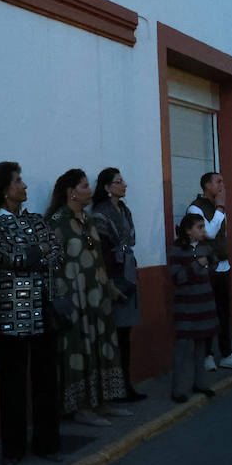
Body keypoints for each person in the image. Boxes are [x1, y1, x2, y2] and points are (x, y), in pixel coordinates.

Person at [0, 162, 63, 465]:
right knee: (11, 385)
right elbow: (8, 257)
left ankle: (47, 442)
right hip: (8, 315)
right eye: (18, 182)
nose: (24, 186)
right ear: (4, 190)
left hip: (44, 310)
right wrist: (35, 253)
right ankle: (12, 449)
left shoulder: (37, 220)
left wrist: (32, 254)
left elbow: (57, 254)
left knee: (45, 381)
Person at [47, 170, 129, 426]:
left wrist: (110, 287)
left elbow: (98, 257)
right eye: (84, 186)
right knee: (78, 349)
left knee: (100, 345)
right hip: (74, 300)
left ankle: (102, 402)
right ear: (71, 191)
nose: (89, 190)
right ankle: (82, 407)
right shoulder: (56, 222)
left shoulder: (89, 219)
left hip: (98, 298)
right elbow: (50, 264)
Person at [91, 167, 146, 402]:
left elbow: (130, 239)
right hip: (114, 275)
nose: (124, 185)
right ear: (107, 187)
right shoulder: (100, 214)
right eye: (118, 181)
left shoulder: (124, 209)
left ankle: (125, 384)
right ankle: (114, 388)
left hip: (127, 270)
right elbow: (102, 250)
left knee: (125, 332)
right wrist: (112, 280)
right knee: (114, 333)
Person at [188, 172, 232, 370]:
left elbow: (222, 234)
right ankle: (206, 355)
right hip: (206, 268)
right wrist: (221, 207)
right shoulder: (196, 207)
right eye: (218, 181)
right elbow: (209, 233)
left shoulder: (218, 208)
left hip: (223, 265)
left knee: (223, 312)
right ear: (207, 185)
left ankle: (226, 353)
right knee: (206, 312)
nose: (223, 185)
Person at [169, 214, 219, 402]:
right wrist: (197, 265)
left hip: (204, 302)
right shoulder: (177, 249)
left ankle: (200, 383)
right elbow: (177, 277)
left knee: (201, 345)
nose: (203, 231)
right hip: (186, 305)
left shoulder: (206, 246)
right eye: (199, 227)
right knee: (182, 347)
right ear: (188, 230)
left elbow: (214, 263)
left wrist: (206, 267)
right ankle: (178, 389)